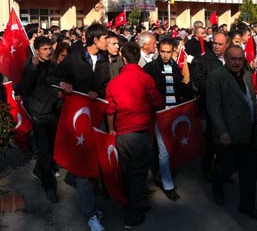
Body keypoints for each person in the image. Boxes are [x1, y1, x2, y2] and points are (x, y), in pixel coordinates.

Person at [48, 23, 110, 231]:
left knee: (95, 164)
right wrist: (63, 85)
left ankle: (89, 204)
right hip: (77, 119)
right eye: (105, 39)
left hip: (96, 118)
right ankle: (91, 214)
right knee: (84, 167)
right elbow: (52, 76)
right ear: (95, 40)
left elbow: (103, 86)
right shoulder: (74, 57)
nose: (108, 43)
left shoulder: (103, 60)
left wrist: (97, 92)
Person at [105, 41, 163, 229]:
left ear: (123, 58)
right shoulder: (145, 79)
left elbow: (110, 110)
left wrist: (112, 129)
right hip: (140, 133)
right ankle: (132, 215)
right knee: (138, 175)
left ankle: (133, 206)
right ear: (138, 57)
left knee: (127, 173)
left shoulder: (114, 83)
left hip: (122, 134)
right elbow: (158, 103)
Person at [207, 45, 257, 220]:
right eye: (233, 59)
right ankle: (217, 186)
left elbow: (251, 101)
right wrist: (222, 131)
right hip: (229, 134)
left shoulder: (246, 74)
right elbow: (213, 107)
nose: (237, 62)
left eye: (240, 59)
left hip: (249, 133)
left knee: (250, 172)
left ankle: (248, 205)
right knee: (225, 168)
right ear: (226, 58)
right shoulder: (216, 77)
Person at [144, 39, 193, 200]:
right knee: (164, 150)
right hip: (160, 114)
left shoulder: (175, 67)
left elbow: (181, 88)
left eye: (168, 52)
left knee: (172, 147)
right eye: (162, 51)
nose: (165, 55)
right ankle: (168, 184)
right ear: (158, 50)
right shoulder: (151, 68)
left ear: (173, 51)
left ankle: (162, 175)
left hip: (176, 113)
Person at [18, 36, 60, 203]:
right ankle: (49, 187)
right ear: (37, 50)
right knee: (44, 152)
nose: (48, 52)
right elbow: (25, 88)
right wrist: (33, 69)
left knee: (51, 149)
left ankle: (38, 170)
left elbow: (55, 82)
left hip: (52, 111)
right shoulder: (30, 66)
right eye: (45, 49)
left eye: (50, 48)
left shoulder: (53, 65)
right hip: (38, 114)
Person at [195, 32, 229, 180]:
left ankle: (223, 170)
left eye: (219, 44)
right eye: (214, 43)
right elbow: (199, 81)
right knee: (211, 142)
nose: (215, 46)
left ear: (227, 45)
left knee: (226, 144)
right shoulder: (204, 60)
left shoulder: (231, 59)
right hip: (211, 108)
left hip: (228, 108)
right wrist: (214, 88)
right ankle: (207, 168)